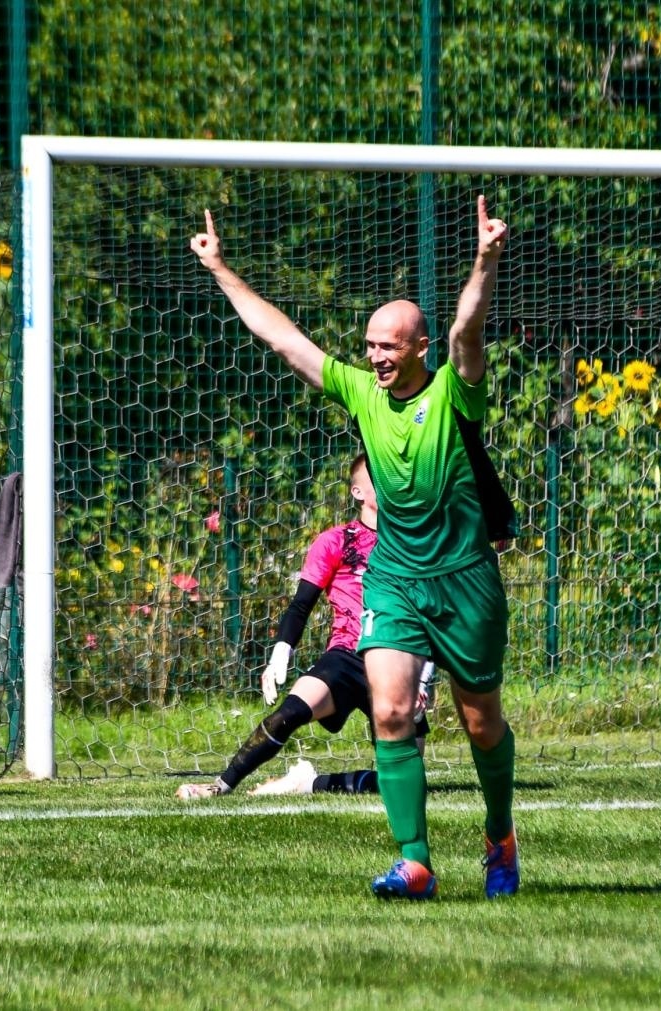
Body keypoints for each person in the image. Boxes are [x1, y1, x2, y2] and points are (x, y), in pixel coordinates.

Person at [191, 198, 519, 900]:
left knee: (480, 721)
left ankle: (500, 834)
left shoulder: (457, 395)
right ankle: (416, 861)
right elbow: (286, 340)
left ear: (418, 349)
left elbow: (468, 328)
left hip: (466, 581)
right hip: (396, 578)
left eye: (388, 345)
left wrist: (485, 259)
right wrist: (220, 268)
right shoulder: (363, 395)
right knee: (393, 710)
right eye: (369, 344)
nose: (374, 355)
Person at [175, 453, 436, 800]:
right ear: (358, 492)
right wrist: (279, 654)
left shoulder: (414, 545)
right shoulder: (336, 541)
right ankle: (219, 786)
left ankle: (306, 783)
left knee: (406, 782)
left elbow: (431, 614)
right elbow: (301, 604)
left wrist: (423, 677)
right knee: (291, 711)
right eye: (379, 478)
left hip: (396, 661)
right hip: (347, 655)